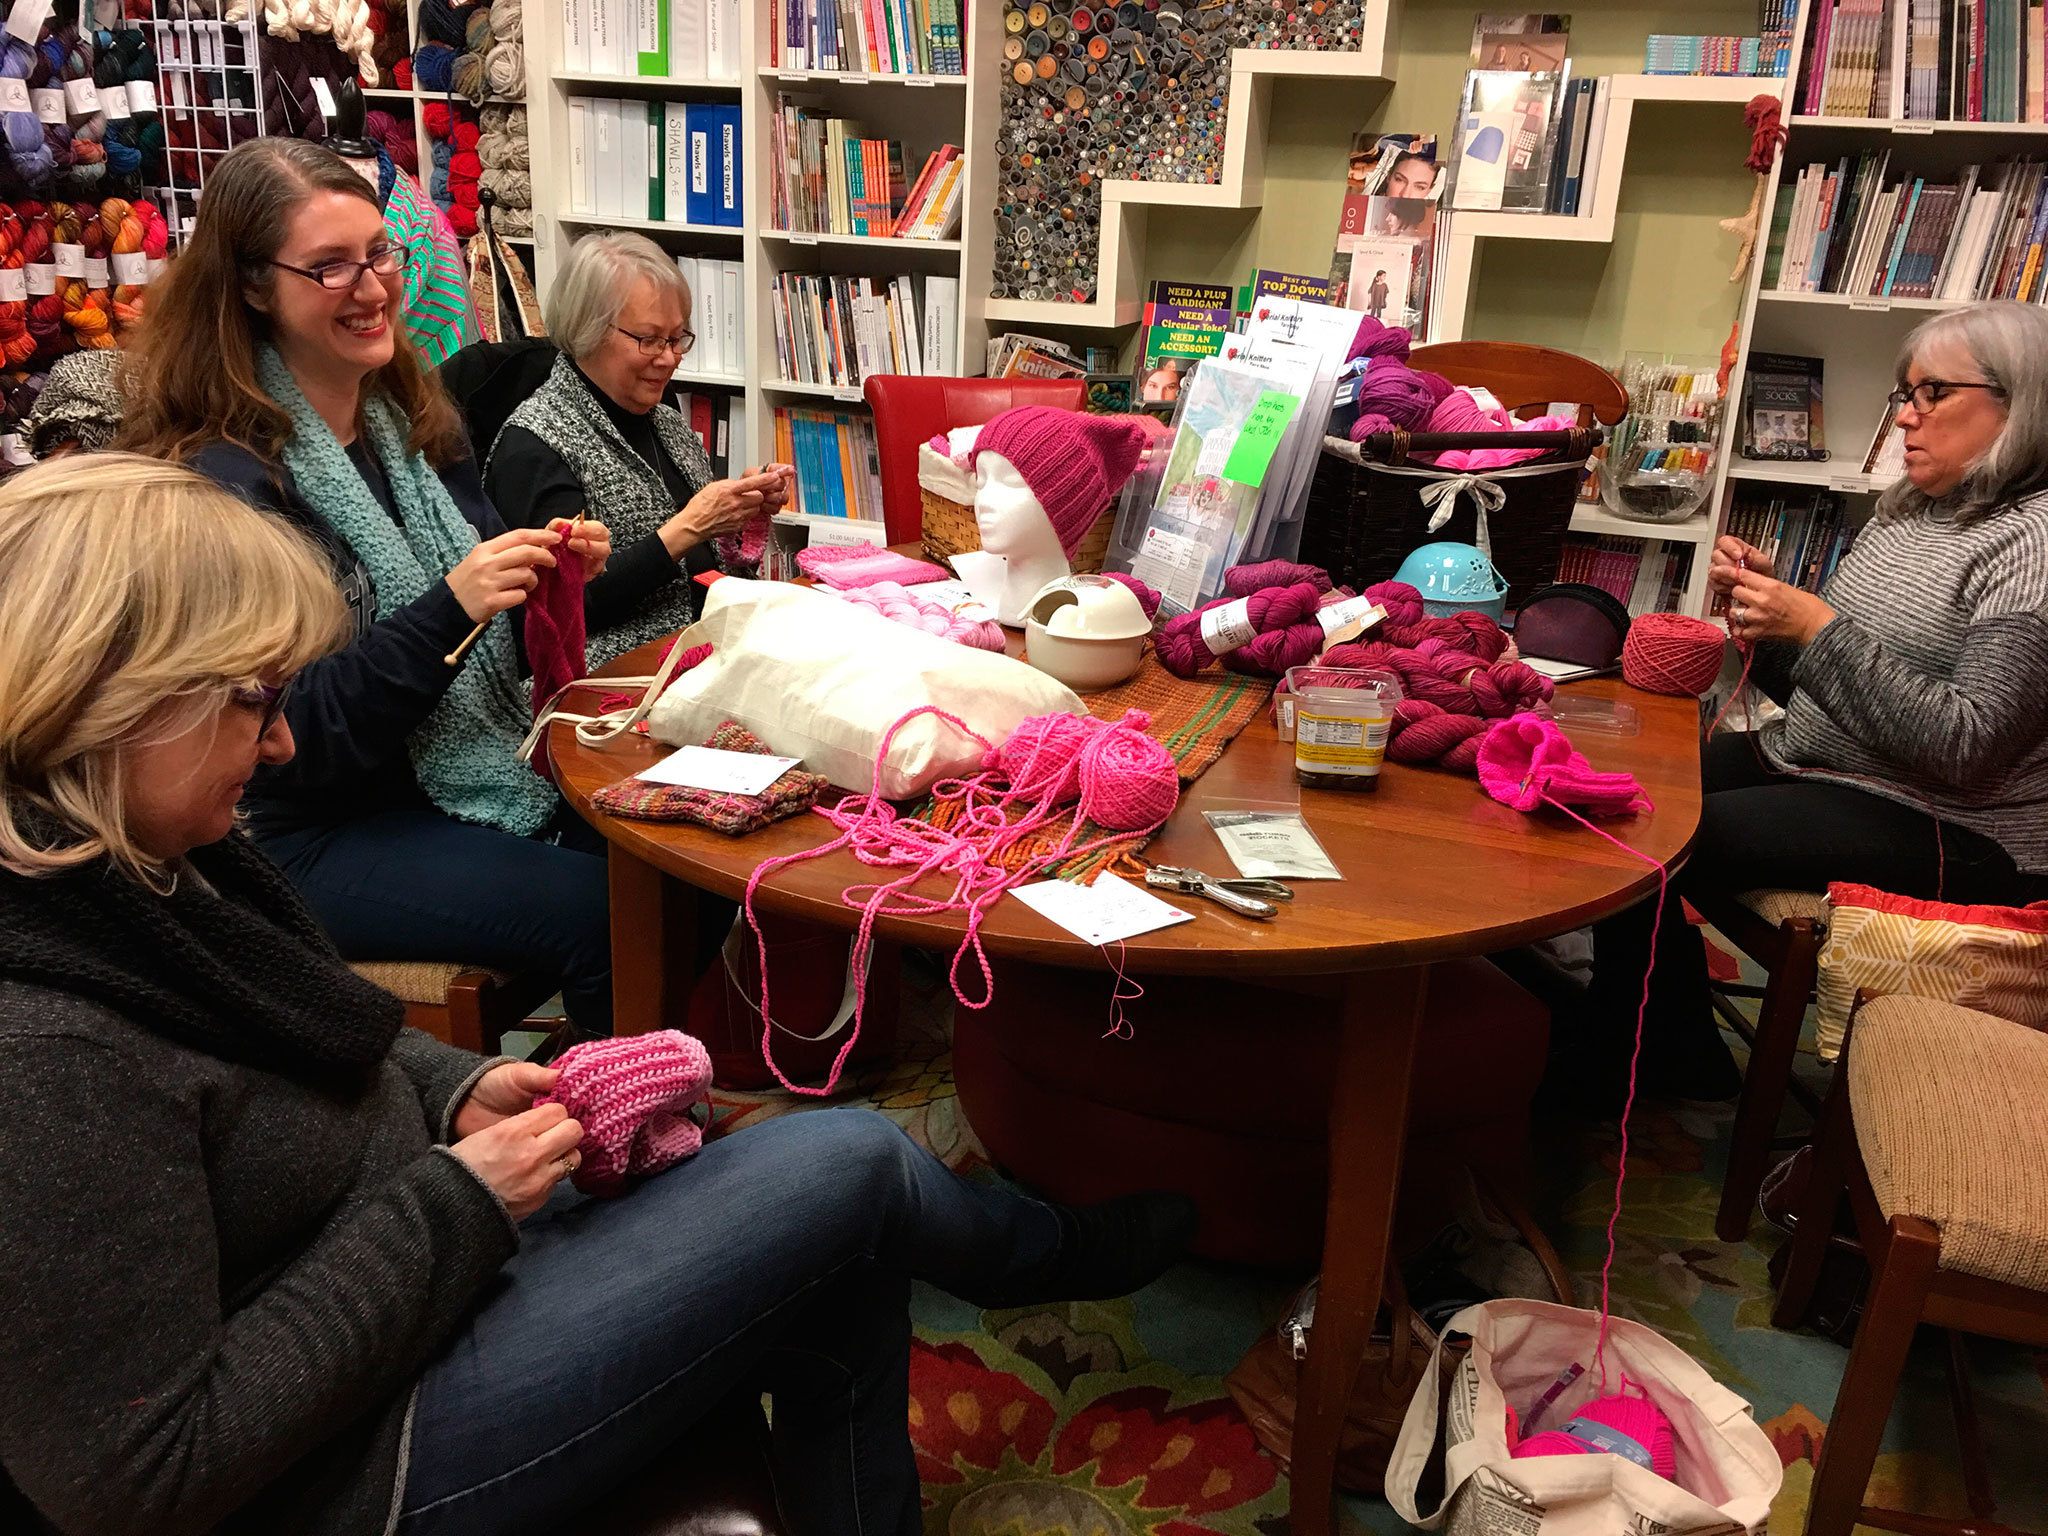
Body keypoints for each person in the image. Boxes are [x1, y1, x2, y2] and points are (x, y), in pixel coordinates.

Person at [0, 453, 1199, 1536]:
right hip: (355, 1464)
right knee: (846, 1166)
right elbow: (140, 1479)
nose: (280, 747)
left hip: (398, 1300)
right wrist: (454, 1204)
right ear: (108, 702)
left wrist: (461, 1086)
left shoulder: (145, 865)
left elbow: (298, 1028)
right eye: (251, 700)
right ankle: (1030, 1253)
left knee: (835, 1231)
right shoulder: (44, 1055)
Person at [117, 137, 629, 1039]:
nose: (373, 288)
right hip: (304, 831)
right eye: (329, 267)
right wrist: (456, 602)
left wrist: (542, 576)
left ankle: (650, 1095)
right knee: (609, 913)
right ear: (248, 285)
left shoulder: (413, 422)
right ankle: (601, 1145)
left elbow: (483, 652)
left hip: (442, 776)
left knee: (655, 850)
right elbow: (293, 736)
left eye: (378, 253)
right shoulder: (225, 483)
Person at [1575, 301, 2048, 1107]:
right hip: (1830, 765)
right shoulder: (1909, 515)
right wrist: (1767, 621)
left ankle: (1653, 1054)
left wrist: (1816, 627)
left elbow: (1968, 747)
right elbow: (1840, 696)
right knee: (1609, 790)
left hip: (1956, 824)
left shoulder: (2031, 544)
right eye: (1904, 393)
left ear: (2021, 402)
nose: (1905, 415)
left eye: (1932, 393)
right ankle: (1661, 1035)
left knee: (1649, 829)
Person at [485, 231, 794, 666]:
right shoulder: (534, 445)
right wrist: (688, 527)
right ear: (588, 329)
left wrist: (738, 514)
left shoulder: (665, 422)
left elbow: (702, 561)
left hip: (696, 650)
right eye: (649, 340)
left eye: (677, 339)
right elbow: (555, 616)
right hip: (606, 680)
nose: (668, 358)